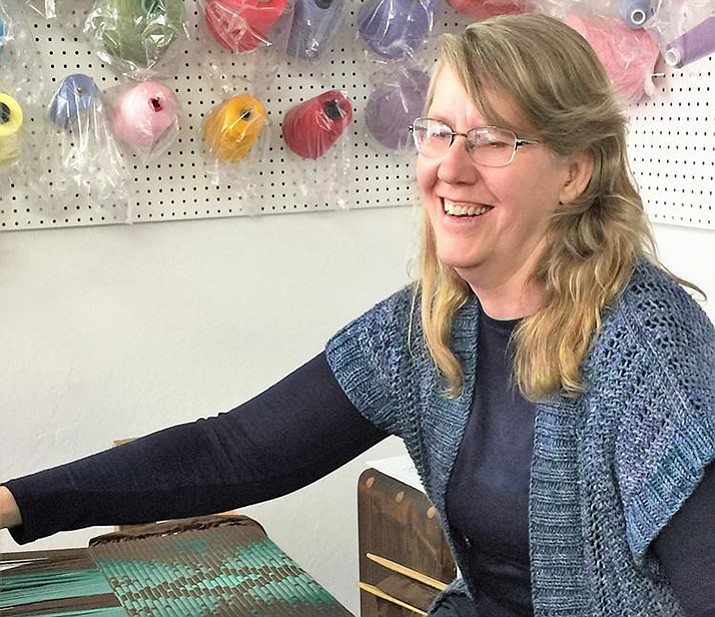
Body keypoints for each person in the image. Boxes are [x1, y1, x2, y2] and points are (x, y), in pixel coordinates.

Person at [2, 13, 714, 617]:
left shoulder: (648, 351)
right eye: (438, 130)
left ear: (573, 170)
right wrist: (12, 501)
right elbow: (237, 450)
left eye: (494, 138)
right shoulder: (431, 326)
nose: (450, 167)